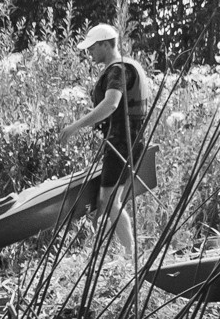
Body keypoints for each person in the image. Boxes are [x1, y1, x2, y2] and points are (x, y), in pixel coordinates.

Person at [56, 23, 153, 267]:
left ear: (105, 45)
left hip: (123, 142)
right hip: (123, 141)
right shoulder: (123, 68)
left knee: (110, 201)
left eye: (92, 48)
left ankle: (132, 257)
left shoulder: (117, 71)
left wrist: (74, 127)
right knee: (108, 201)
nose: (89, 53)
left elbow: (111, 105)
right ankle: (120, 255)